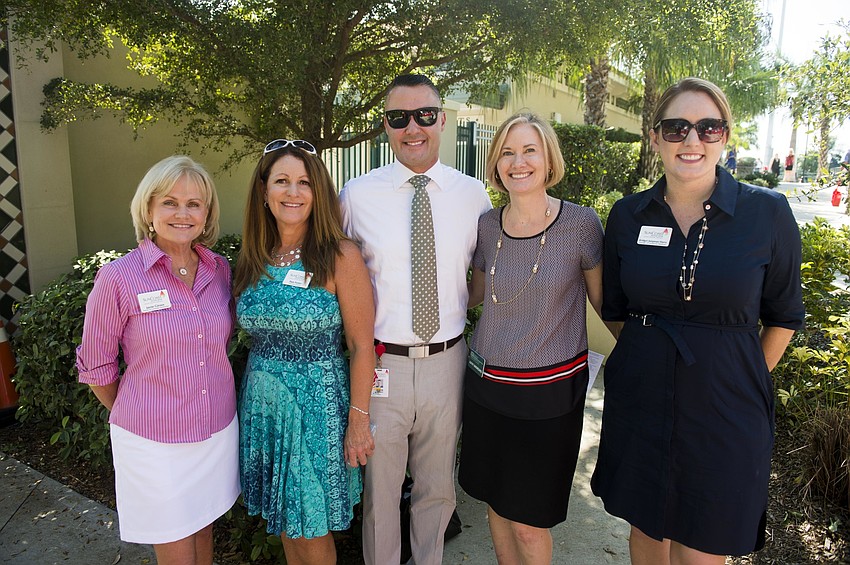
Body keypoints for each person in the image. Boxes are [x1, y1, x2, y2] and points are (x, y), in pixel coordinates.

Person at [591, 77, 804, 565]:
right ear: (655, 137)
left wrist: (742, 378)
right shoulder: (627, 215)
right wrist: (650, 359)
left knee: (703, 544)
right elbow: (617, 309)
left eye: (708, 127)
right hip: (643, 401)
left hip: (726, 409)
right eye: (676, 127)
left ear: (724, 136)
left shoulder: (766, 213)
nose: (691, 140)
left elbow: (784, 314)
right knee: (647, 534)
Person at [340, 74, 492, 565]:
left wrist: (452, 306)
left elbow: (485, 278)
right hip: (382, 366)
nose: (413, 128)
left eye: (424, 115)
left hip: (449, 360)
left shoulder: (474, 197)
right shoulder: (356, 195)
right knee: (380, 496)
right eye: (399, 118)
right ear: (385, 125)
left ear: (442, 119)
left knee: (437, 489)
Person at [76, 155, 239, 565]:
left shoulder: (220, 271)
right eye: (169, 202)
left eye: (194, 204)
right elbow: (96, 365)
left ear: (207, 213)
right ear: (148, 209)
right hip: (153, 441)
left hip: (215, 430)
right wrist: (140, 410)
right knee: (177, 550)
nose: (182, 213)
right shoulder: (119, 277)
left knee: (204, 531)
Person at [457, 112, 604, 564]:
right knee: (496, 504)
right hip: (486, 389)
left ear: (548, 160)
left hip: (549, 397)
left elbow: (605, 306)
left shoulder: (580, 225)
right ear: (495, 163)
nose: (517, 162)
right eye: (506, 152)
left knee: (529, 521)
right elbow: (472, 297)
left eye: (529, 151)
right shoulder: (486, 225)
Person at [233, 139, 375, 565]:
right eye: (282, 181)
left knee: (311, 533)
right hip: (263, 409)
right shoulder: (254, 256)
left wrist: (358, 421)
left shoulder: (340, 256)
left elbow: (362, 346)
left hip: (315, 411)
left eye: (304, 183)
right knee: (287, 529)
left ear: (318, 194)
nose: (293, 192)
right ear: (264, 191)